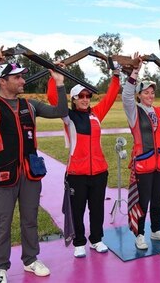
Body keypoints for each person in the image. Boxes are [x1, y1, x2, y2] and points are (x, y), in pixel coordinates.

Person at [0, 47, 68, 283]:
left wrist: (60, 83)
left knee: (30, 219)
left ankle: (31, 260)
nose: (23, 80)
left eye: (22, 76)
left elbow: (61, 111)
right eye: (17, 77)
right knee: (2, 223)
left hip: (30, 173)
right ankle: (0, 267)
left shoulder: (31, 105)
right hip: (3, 174)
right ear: (3, 81)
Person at [46, 65, 121, 258]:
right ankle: (79, 242)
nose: (85, 100)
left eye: (88, 96)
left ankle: (96, 239)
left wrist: (115, 76)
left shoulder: (96, 114)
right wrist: (54, 78)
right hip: (77, 174)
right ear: (73, 99)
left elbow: (111, 97)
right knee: (77, 210)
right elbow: (53, 98)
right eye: (81, 96)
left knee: (97, 209)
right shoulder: (67, 116)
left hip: (99, 172)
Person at [122, 53, 160, 250]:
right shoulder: (134, 111)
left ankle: (156, 230)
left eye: (152, 93)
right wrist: (135, 72)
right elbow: (126, 96)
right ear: (139, 95)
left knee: (158, 200)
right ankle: (139, 234)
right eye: (146, 92)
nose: (150, 96)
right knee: (143, 202)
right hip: (143, 163)